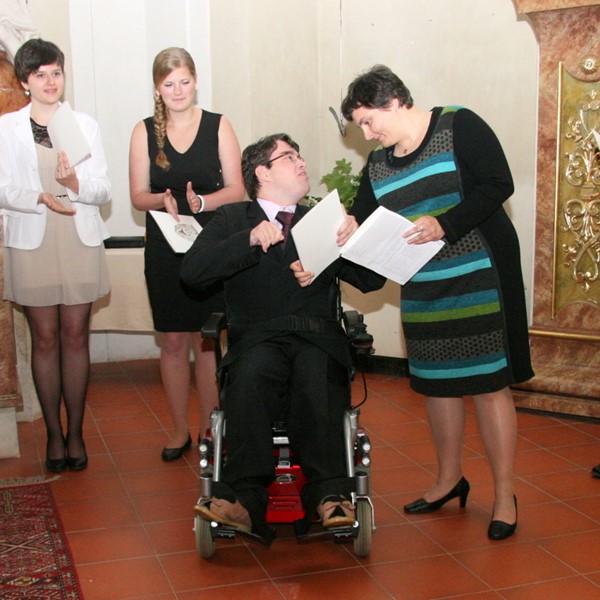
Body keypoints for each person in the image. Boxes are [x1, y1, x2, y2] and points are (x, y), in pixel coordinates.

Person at [341, 65, 534, 541]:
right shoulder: (378, 166)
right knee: (437, 385)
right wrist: (349, 225)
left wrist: (444, 223)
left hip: (480, 276)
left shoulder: (457, 124)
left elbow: (498, 184)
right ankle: (449, 480)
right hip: (423, 285)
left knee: (489, 384)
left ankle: (505, 494)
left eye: (368, 121)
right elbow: (364, 217)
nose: (367, 135)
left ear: (392, 102)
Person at [180, 133, 385, 540]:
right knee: (253, 373)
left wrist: (355, 237)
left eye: (300, 155)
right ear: (262, 172)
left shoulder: (324, 219)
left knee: (316, 374)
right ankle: (243, 500)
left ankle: (331, 496)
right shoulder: (233, 219)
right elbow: (192, 272)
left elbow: (371, 280)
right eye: (290, 157)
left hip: (316, 338)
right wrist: (249, 239)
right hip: (257, 338)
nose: (301, 162)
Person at [0, 39, 111, 472]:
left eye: (56, 73)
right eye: (40, 74)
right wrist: (39, 196)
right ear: (25, 81)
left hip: (78, 235)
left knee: (75, 336)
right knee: (44, 339)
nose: (50, 81)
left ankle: (76, 432)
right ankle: (52, 434)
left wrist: (75, 184)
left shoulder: (84, 124)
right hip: (34, 237)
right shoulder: (7, 127)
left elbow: (103, 189)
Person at [129, 47, 245, 461]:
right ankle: (179, 430)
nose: (178, 90)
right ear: (157, 89)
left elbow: (238, 189)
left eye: (184, 81)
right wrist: (161, 199)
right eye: (169, 84)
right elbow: (137, 196)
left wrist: (203, 203)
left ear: (196, 82)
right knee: (174, 341)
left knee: (207, 339)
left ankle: (210, 428)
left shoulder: (218, 125)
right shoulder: (144, 131)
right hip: (165, 244)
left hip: (211, 241)